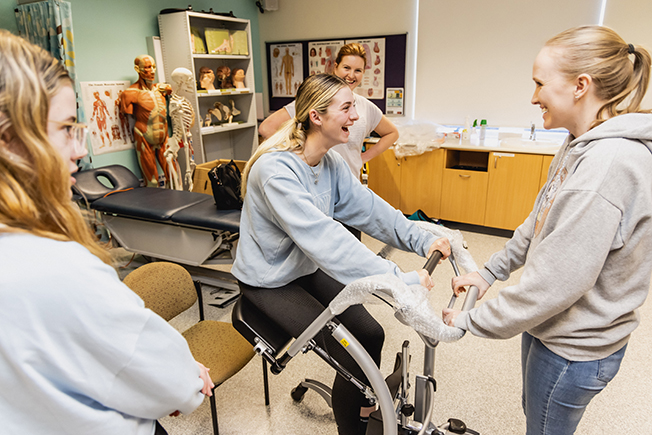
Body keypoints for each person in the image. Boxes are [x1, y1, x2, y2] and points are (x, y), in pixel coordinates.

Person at [0, 31, 213, 435]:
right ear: (9, 139)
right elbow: (163, 377)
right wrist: (183, 383)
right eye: (65, 129)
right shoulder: (55, 264)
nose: (80, 151)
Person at [443, 25, 652, 435]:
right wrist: (488, 274)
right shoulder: (580, 142)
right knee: (535, 416)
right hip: (554, 330)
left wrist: (471, 321)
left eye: (540, 83)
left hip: (575, 347)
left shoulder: (606, 166)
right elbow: (539, 222)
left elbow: (557, 283)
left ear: (580, 86)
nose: (533, 95)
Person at [232, 73, 450, 435]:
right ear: (316, 116)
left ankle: (362, 408)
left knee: (371, 334)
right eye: (347, 108)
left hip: (303, 269)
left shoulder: (330, 162)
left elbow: (370, 210)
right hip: (269, 282)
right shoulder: (277, 171)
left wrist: (421, 239)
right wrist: (399, 280)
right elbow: (329, 241)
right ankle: (356, 422)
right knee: (352, 354)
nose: (356, 117)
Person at [259, 43, 399, 177]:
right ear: (336, 67)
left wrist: (362, 158)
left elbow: (392, 133)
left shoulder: (365, 106)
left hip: (349, 181)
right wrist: (297, 157)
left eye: (358, 70)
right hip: (316, 179)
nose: (351, 75)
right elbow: (267, 127)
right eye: (346, 68)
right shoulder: (315, 100)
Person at [118, 54, 172, 187]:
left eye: (153, 67)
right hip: (144, 136)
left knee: (174, 176)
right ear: (138, 69)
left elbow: (170, 90)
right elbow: (127, 116)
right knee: (152, 181)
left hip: (164, 137)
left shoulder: (162, 89)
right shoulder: (130, 93)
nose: (152, 71)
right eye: (148, 67)